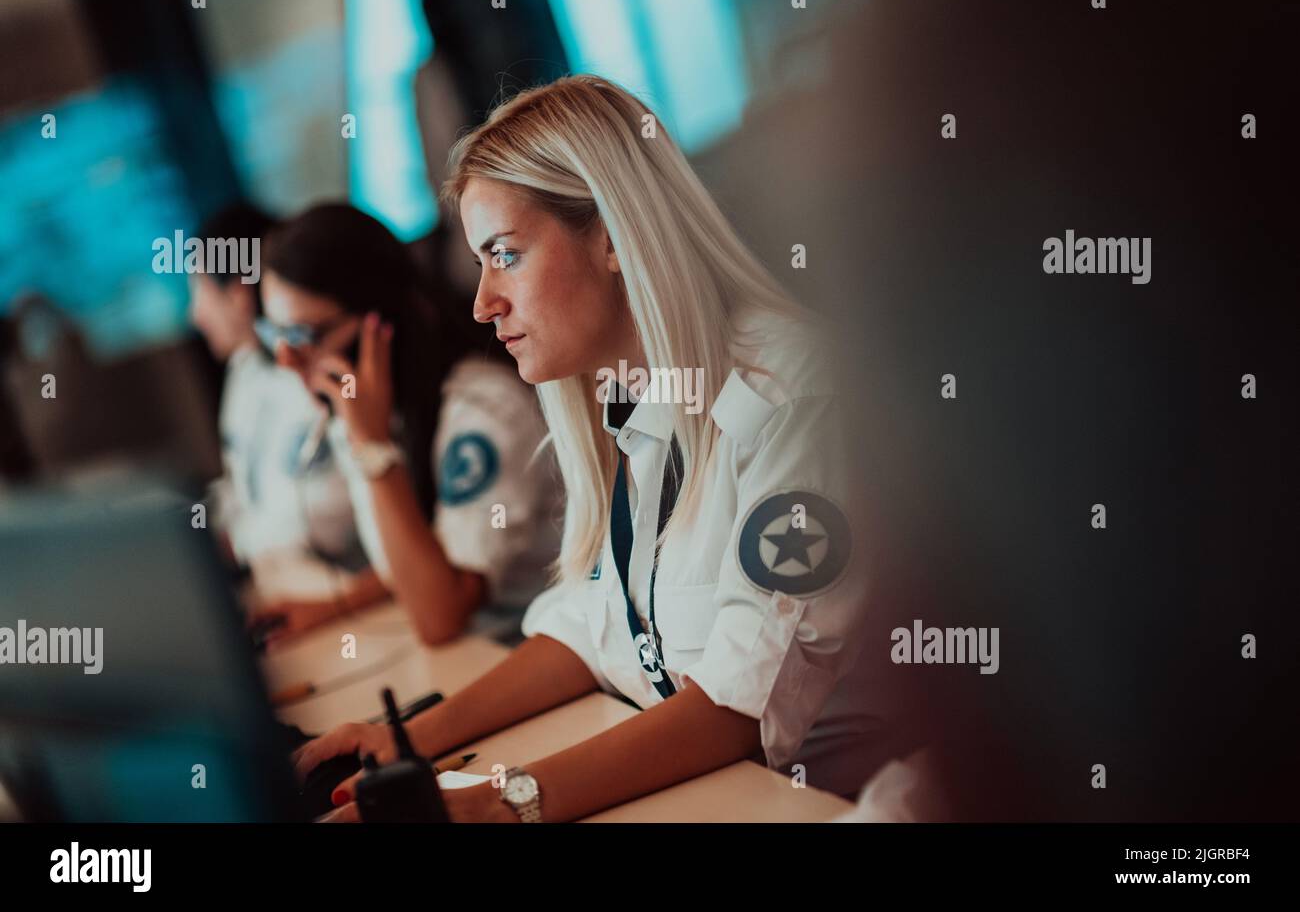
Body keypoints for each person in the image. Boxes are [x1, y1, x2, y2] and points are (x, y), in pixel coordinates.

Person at [294, 76, 883, 821]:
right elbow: (591, 625)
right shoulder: (634, 399)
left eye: (505, 254)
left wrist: (500, 806)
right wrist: (405, 741)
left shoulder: (792, 399)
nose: (482, 303)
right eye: (479, 263)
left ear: (610, 237)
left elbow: (735, 708)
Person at [248, 204, 559, 645]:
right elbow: (426, 550)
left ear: (381, 320)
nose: (285, 360)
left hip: (532, 646)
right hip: (484, 647)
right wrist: (337, 606)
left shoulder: (481, 411)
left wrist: (373, 450)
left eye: (305, 336)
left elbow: (441, 614)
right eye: (274, 335)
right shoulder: (380, 411)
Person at [191, 203, 373, 618]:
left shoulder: (328, 370)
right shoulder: (245, 373)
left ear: (238, 293)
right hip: (279, 587)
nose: (195, 315)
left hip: (345, 592)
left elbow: (323, 515)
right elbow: (243, 489)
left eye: (198, 291)